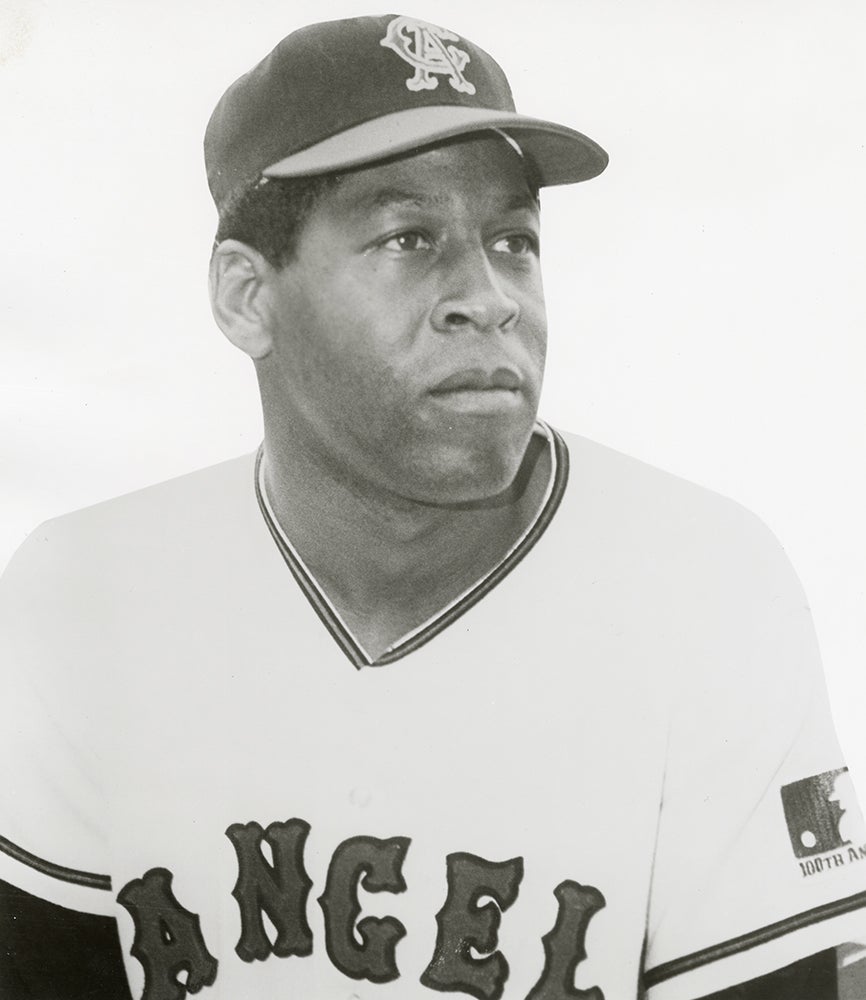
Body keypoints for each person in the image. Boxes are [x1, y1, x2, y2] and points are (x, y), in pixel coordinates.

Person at [1, 12, 864, 1000]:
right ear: (247, 296)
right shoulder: (83, 592)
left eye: (512, 240)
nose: (489, 296)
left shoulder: (705, 590)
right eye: (408, 238)